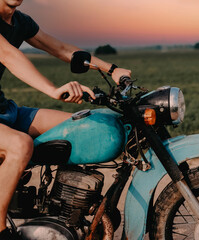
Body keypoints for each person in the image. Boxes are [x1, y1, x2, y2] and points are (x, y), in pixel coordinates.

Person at [0, 0, 132, 238]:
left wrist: (112, 70)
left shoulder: (20, 22)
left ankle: (65, 213)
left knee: (78, 127)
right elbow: (8, 55)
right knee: (20, 145)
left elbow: (61, 48)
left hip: (5, 110)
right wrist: (52, 89)